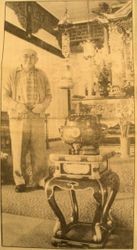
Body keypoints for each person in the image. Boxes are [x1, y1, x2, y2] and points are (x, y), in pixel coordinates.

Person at [3, 48, 52, 192]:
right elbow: (4, 97)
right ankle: (20, 181)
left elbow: (49, 95)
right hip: (19, 117)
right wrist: (17, 106)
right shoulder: (12, 74)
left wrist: (42, 106)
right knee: (19, 150)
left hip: (37, 116)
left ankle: (41, 179)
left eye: (32, 57)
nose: (29, 59)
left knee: (39, 150)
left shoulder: (42, 74)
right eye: (26, 56)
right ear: (20, 58)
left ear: (36, 59)